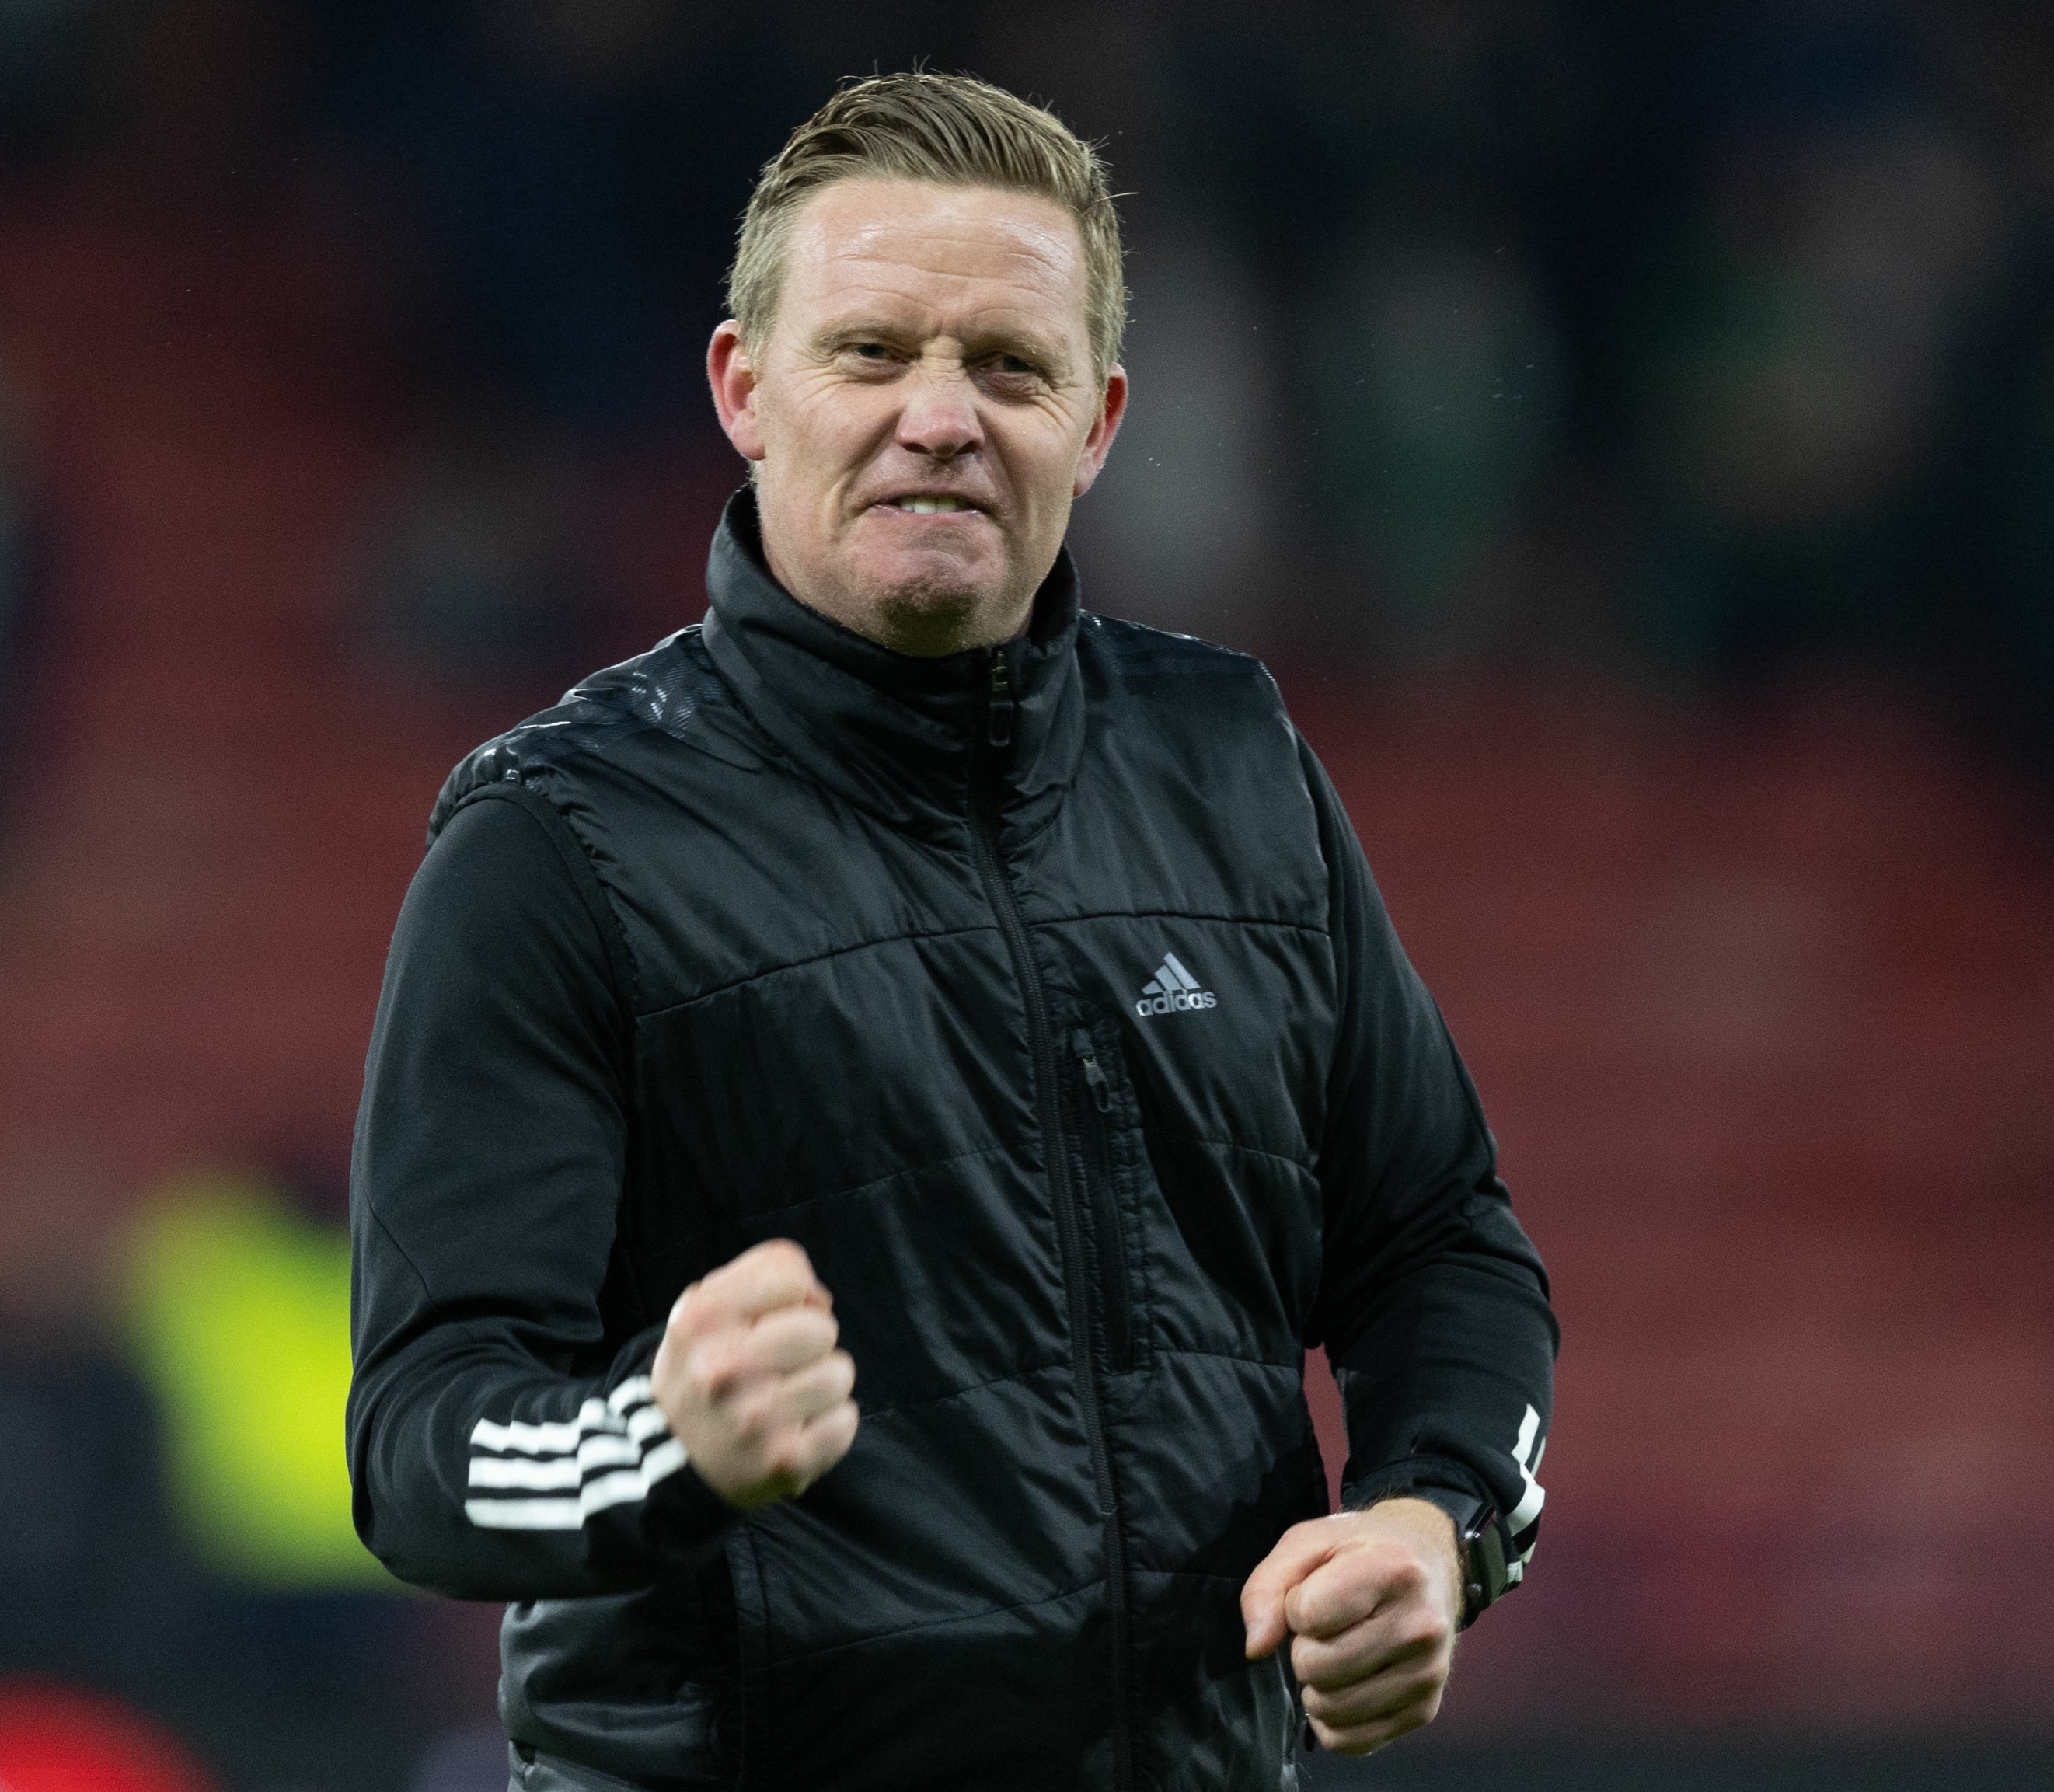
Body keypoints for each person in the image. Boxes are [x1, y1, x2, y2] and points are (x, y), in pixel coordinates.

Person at [347, 71, 1556, 1792]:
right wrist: (654, 1440)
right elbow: (415, 1446)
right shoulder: (556, 841)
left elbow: (1444, 1245)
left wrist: (1434, 1523)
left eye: (1008, 365)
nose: (941, 415)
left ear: (1101, 419)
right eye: (871, 353)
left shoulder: (1230, 760)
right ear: (743, 390)